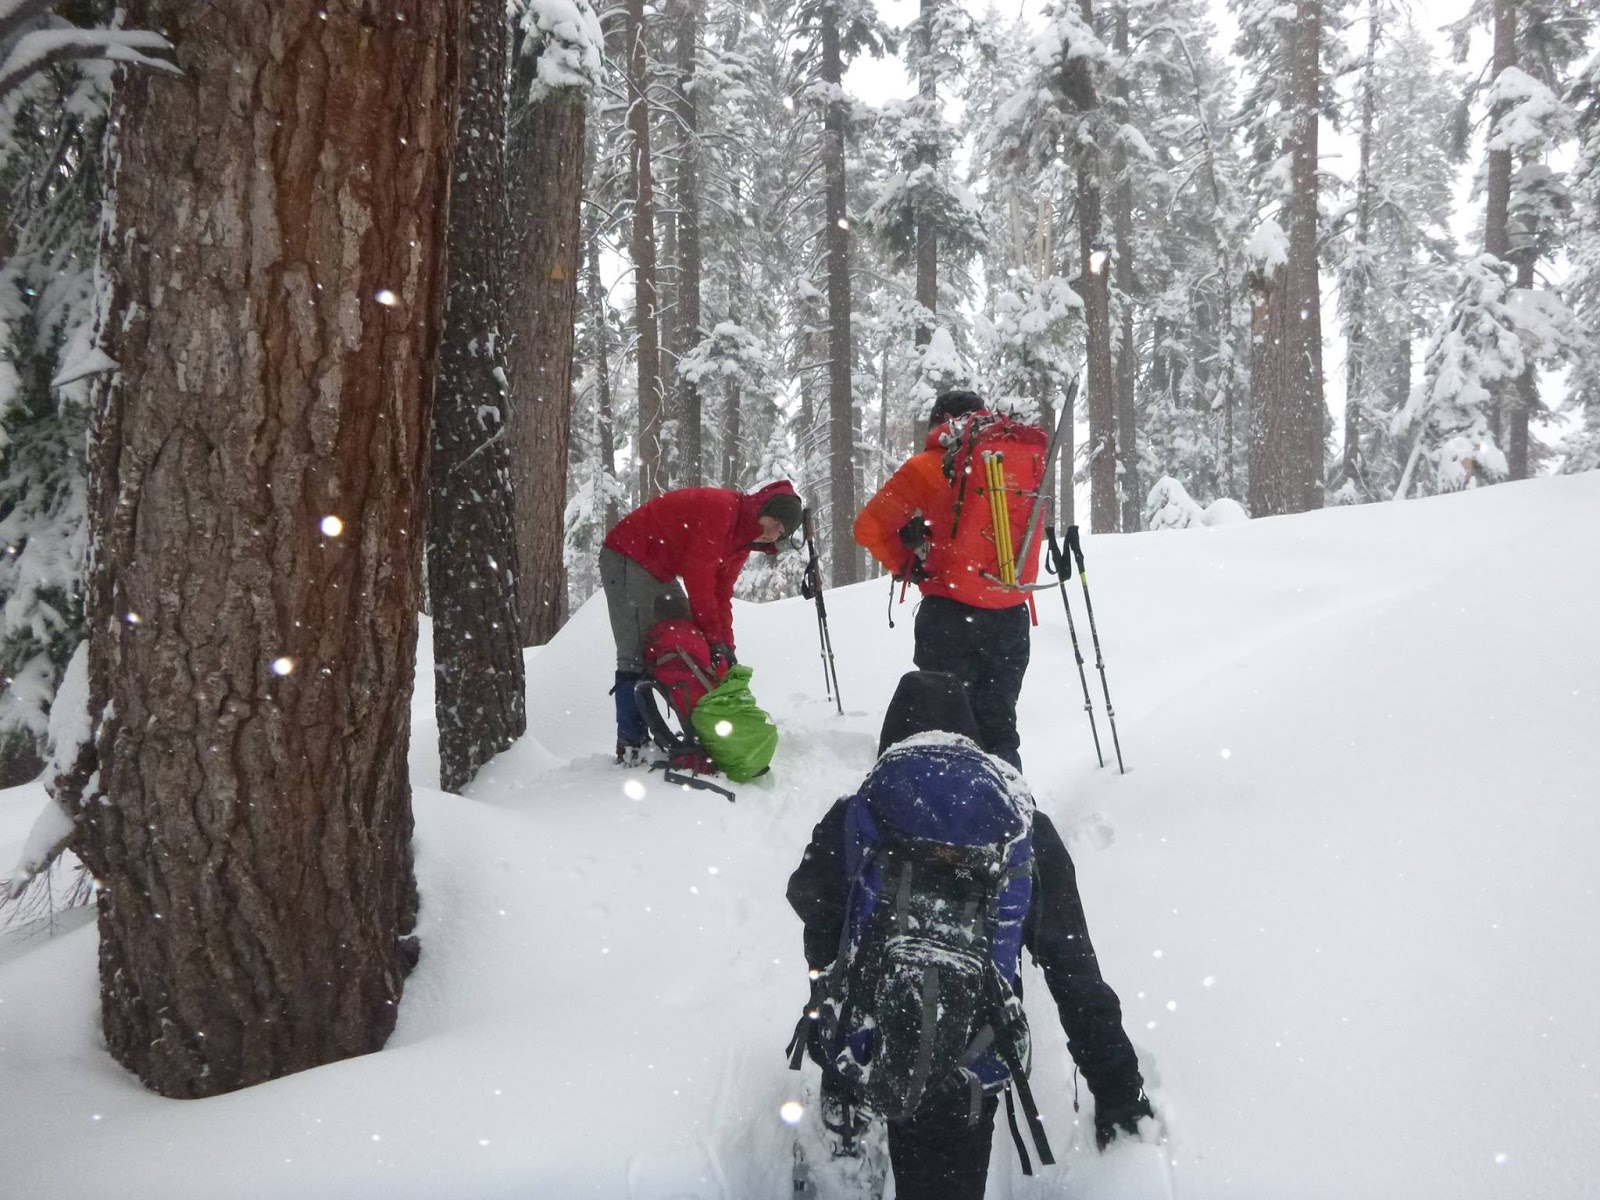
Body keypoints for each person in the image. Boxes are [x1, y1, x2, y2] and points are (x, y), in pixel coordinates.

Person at [786, 671, 1152, 1200]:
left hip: (871, 1026)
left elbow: (814, 908)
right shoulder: (1023, 830)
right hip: (970, 1053)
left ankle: (846, 1108)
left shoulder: (856, 814)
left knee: (854, 1023)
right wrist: (1118, 1089)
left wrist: (831, 999)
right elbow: (1074, 972)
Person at [854, 390, 1045, 769]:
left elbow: (868, 528)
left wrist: (906, 564)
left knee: (947, 726)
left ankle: (949, 798)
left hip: (950, 615)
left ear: (938, 422)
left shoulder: (927, 466)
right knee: (999, 725)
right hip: (1010, 612)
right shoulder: (1011, 460)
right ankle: (1011, 797)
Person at [601, 480, 802, 763]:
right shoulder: (722, 511)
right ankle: (632, 745)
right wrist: (714, 639)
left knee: (688, 646)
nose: (773, 533)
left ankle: (694, 732)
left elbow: (721, 594)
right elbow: (699, 580)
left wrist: (726, 646)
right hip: (629, 554)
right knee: (633, 654)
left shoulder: (742, 542)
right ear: (764, 509)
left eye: (781, 532)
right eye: (775, 522)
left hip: (659, 568)